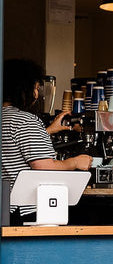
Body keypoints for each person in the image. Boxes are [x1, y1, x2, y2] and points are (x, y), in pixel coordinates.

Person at [2, 58, 92, 222]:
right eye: (36, 88)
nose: (36, 94)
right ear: (23, 88)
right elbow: (43, 166)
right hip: (26, 210)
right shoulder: (26, 121)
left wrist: (47, 131)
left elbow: (12, 145)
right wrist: (75, 162)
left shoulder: (6, 118)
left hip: (5, 209)